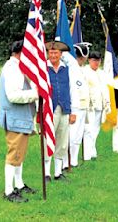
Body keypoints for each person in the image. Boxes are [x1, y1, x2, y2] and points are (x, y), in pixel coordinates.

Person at [0, 40, 38, 203]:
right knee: (14, 154)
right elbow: (13, 95)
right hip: (15, 117)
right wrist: (36, 94)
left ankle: (19, 184)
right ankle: (8, 191)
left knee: (19, 154)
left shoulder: (17, 67)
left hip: (19, 117)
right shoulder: (13, 69)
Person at [44, 41, 74, 182]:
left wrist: (72, 111)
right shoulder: (43, 68)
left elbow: (72, 90)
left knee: (62, 142)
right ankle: (46, 173)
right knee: (48, 140)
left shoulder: (66, 68)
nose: (53, 55)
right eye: (51, 53)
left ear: (61, 54)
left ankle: (57, 172)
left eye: (56, 53)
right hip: (49, 110)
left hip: (64, 109)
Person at [83, 51, 110, 160]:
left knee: (95, 130)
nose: (96, 63)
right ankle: (87, 154)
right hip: (89, 105)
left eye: (98, 60)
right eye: (94, 60)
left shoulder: (102, 73)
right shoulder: (84, 72)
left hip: (100, 104)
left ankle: (92, 151)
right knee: (88, 130)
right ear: (89, 60)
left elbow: (109, 85)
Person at [68, 42, 91, 167]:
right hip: (75, 107)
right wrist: (72, 110)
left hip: (83, 106)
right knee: (72, 135)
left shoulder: (80, 69)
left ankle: (74, 160)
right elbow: (73, 90)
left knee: (78, 135)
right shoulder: (72, 69)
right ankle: (67, 161)